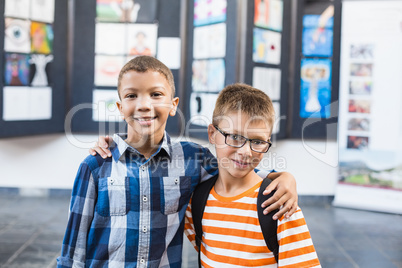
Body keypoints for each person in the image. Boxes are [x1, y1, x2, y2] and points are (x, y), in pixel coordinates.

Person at [58, 56, 298, 267]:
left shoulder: (192, 159)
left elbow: (239, 167)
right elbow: (72, 250)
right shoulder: (96, 165)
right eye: (132, 95)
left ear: (173, 105)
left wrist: (283, 177)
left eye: (156, 94)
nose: (144, 105)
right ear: (120, 107)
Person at [184, 84, 321, 267]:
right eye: (235, 137)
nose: (246, 152)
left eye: (257, 141)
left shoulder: (280, 205)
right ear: (212, 134)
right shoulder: (197, 201)